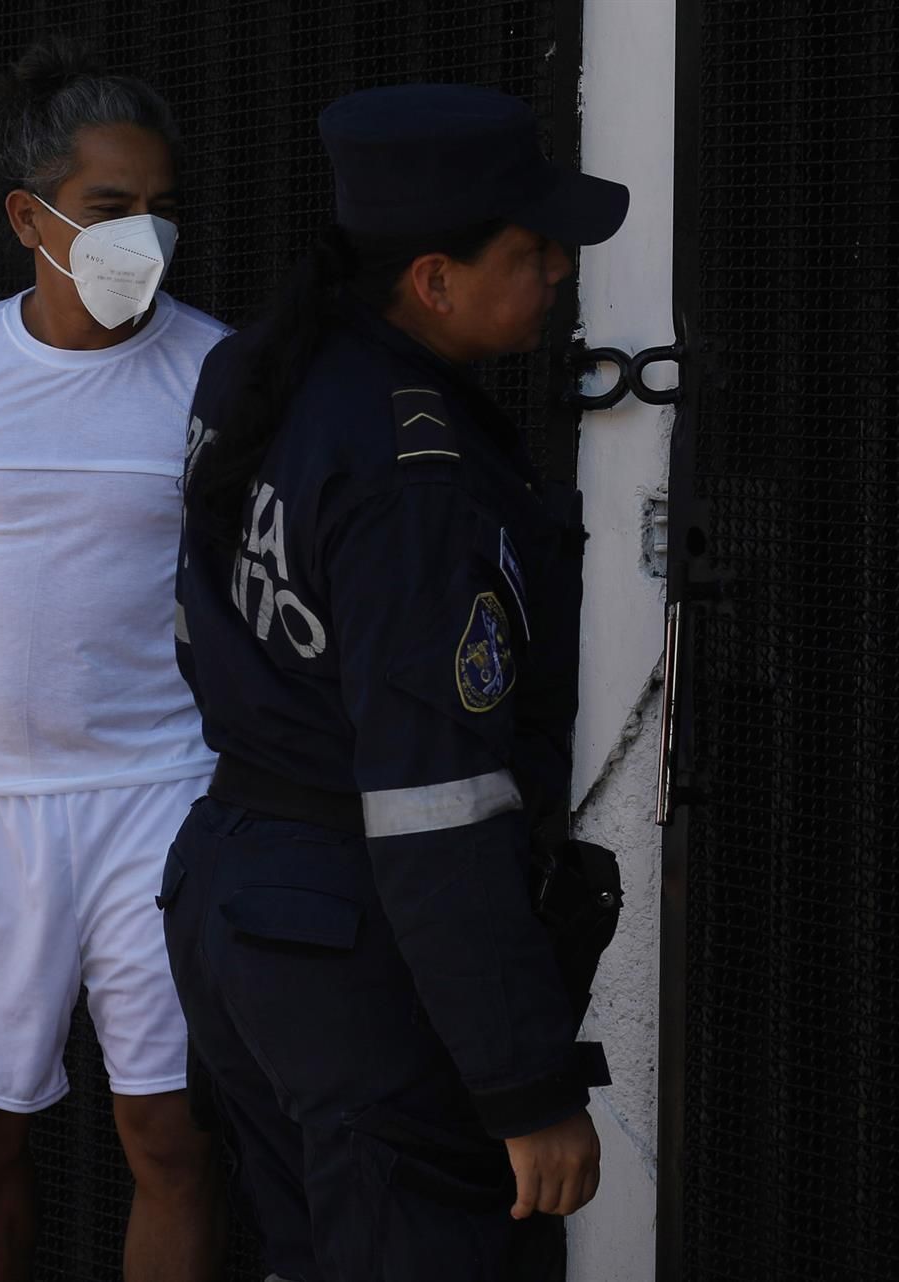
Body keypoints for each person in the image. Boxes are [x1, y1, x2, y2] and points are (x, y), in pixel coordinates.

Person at [164, 84, 631, 1281]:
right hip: (360, 943)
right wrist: (527, 1086)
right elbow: (436, 806)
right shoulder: (415, 476)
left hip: (249, 902)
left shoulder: (265, 376)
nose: (557, 275)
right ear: (433, 279)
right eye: (530, 254)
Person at [0, 40, 227, 1282]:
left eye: (160, 208)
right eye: (111, 208)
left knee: (169, 1132)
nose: (145, 234)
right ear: (31, 215)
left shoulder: (216, 373)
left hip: (164, 798)